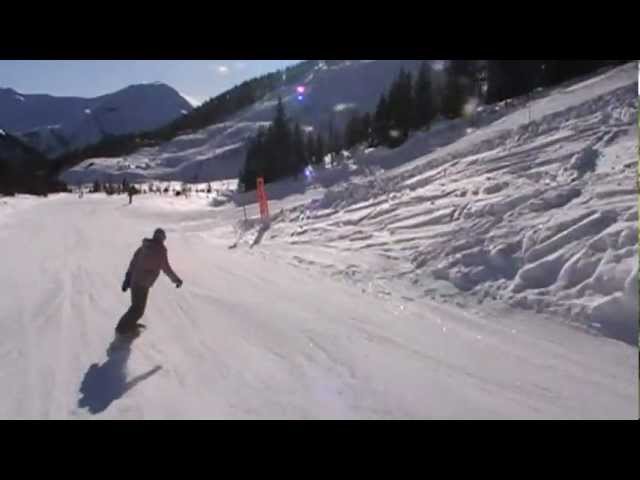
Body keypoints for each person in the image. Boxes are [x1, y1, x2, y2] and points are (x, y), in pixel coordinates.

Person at [116, 228, 183, 336]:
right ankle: (122, 329)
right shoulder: (160, 251)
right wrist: (177, 280)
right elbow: (166, 269)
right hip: (143, 283)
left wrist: (127, 279)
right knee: (138, 309)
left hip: (135, 280)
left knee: (135, 306)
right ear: (162, 238)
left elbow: (133, 263)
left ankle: (128, 325)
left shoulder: (143, 247)